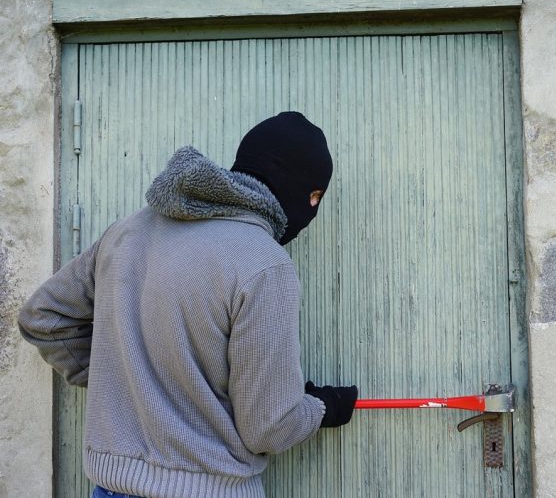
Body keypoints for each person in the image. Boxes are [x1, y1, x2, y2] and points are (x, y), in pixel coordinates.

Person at [18, 111, 358, 498]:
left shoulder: (127, 232)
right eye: (315, 197)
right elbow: (268, 426)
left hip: (110, 488)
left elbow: (43, 318)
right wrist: (322, 408)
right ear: (303, 191)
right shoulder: (265, 264)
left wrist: (129, 378)